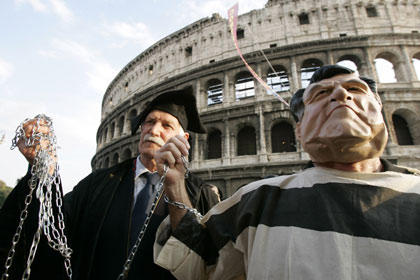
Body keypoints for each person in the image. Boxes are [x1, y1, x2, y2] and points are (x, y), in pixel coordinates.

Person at [153, 65, 420, 279]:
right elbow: (196, 263)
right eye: (321, 94)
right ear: (300, 131)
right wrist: (175, 185)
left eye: (355, 89)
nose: (341, 95)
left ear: (380, 112)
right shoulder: (257, 199)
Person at [0, 87, 220, 279]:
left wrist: (175, 187)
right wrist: (44, 172)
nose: (153, 131)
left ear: (184, 139)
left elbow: (208, 264)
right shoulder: (98, 184)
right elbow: (51, 232)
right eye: (149, 122)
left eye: (167, 125)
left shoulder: (200, 194)